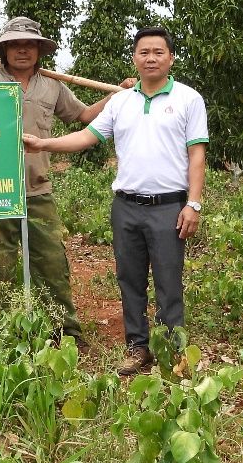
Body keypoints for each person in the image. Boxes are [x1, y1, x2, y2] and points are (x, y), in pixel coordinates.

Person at [22, 26, 207, 376]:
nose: (150, 58)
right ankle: (137, 348)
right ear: (135, 58)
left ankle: (172, 352)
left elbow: (197, 155)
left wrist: (193, 204)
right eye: (144, 52)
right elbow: (85, 136)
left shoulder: (188, 99)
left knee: (169, 280)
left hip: (169, 206)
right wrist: (44, 144)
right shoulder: (121, 101)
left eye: (158, 52)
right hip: (126, 206)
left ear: (170, 57)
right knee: (129, 279)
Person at [0, 16, 122, 344]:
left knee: (52, 262)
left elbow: (83, 116)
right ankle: (1, 332)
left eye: (29, 45)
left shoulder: (52, 85)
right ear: (5, 49)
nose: (22, 50)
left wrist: (116, 96)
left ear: (40, 50)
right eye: (15, 44)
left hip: (38, 188)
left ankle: (64, 330)